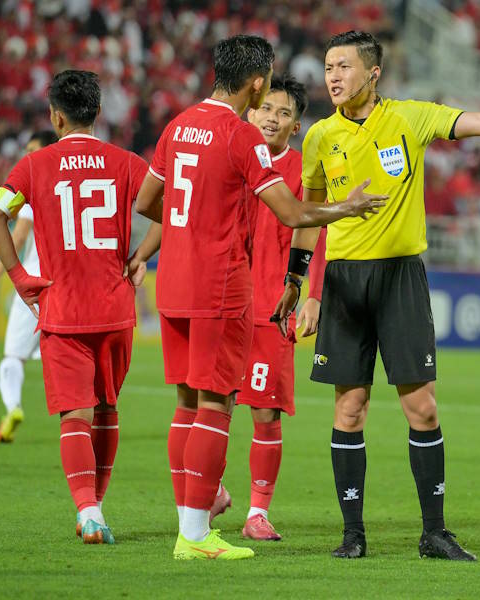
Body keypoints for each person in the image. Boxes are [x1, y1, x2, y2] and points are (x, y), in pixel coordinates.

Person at [272, 30, 480, 561]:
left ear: (372, 73)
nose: (332, 76)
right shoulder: (319, 137)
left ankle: (434, 533)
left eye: (344, 66)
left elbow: (478, 122)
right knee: (349, 409)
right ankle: (352, 534)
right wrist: (298, 281)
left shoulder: (409, 118)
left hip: (402, 278)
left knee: (421, 407)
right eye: (328, 66)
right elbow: (309, 215)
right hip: (347, 282)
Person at [129, 34, 385, 561]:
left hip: (172, 286)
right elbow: (292, 213)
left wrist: (192, 223)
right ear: (255, 82)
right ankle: (197, 537)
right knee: (218, 404)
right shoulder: (239, 135)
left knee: (184, 403)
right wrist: (345, 208)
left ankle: (189, 525)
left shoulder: (178, 126)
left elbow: (147, 201)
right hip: (219, 288)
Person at [0, 70, 151, 545]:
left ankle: (89, 511)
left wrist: (18, 278)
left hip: (62, 308)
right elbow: (168, 210)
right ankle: (94, 507)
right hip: (117, 308)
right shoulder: (125, 162)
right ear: (98, 113)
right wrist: (140, 257)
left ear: (56, 116)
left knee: (74, 415)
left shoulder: (35, 166)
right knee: (108, 410)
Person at [213, 73, 328, 541]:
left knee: (265, 413)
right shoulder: (230, 158)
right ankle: (212, 490)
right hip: (223, 306)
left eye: (285, 114)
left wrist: (313, 293)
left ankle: (257, 512)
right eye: (268, 110)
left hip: (270, 310)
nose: (273, 119)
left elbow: (317, 237)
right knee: (211, 405)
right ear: (252, 110)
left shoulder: (304, 173)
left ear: (295, 126)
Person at [0, 130, 58, 443]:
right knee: (67, 353)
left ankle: (12, 407)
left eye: (32, 149)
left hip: (35, 283)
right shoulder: (68, 183)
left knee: (13, 356)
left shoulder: (35, 183)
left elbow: (19, 235)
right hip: (67, 282)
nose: (27, 154)